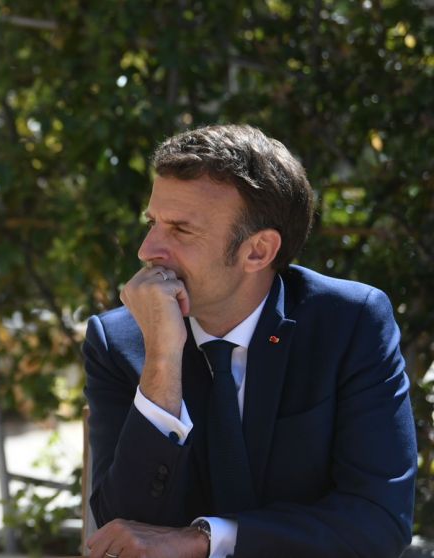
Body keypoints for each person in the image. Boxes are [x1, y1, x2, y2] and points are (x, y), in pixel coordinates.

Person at [82, 124, 416, 558]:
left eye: (181, 230)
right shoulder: (118, 341)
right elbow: (120, 533)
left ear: (257, 251)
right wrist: (163, 359)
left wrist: (204, 539)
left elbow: (379, 521)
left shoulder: (349, 323)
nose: (148, 249)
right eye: (152, 223)